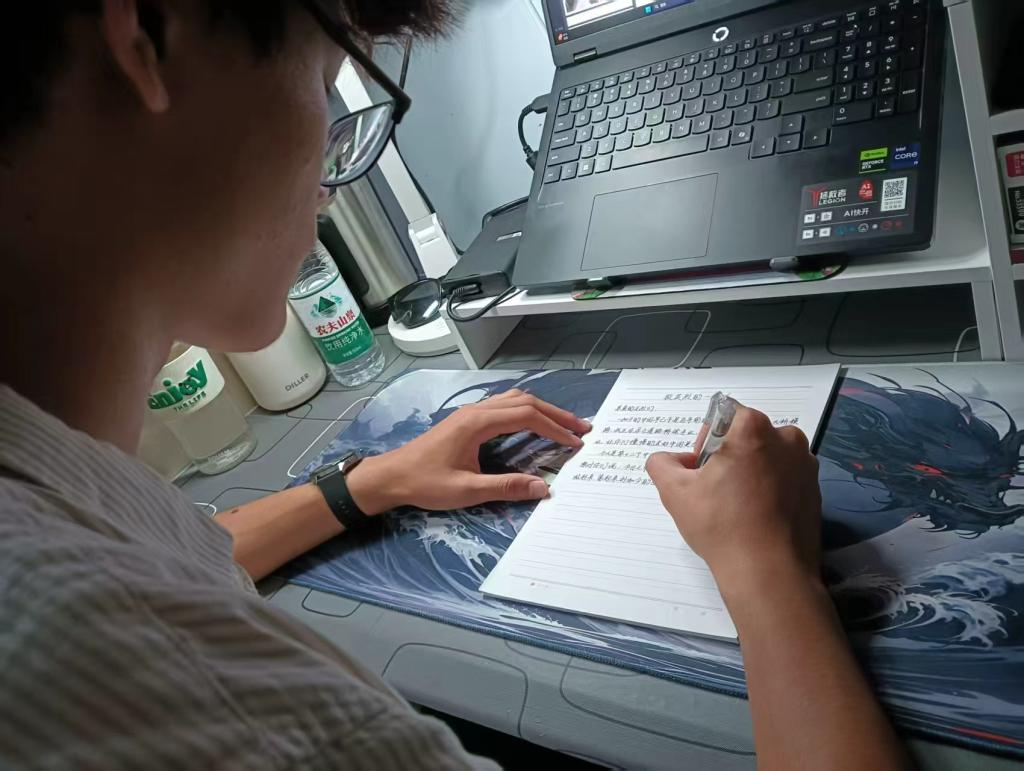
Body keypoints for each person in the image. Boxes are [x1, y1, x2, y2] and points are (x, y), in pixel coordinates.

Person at [0, 1, 909, 768]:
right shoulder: (202, 698)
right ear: (146, 38)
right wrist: (769, 572)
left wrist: (370, 482)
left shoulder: (46, 489)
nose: (328, 172)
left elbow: (186, 547)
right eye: (325, 82)